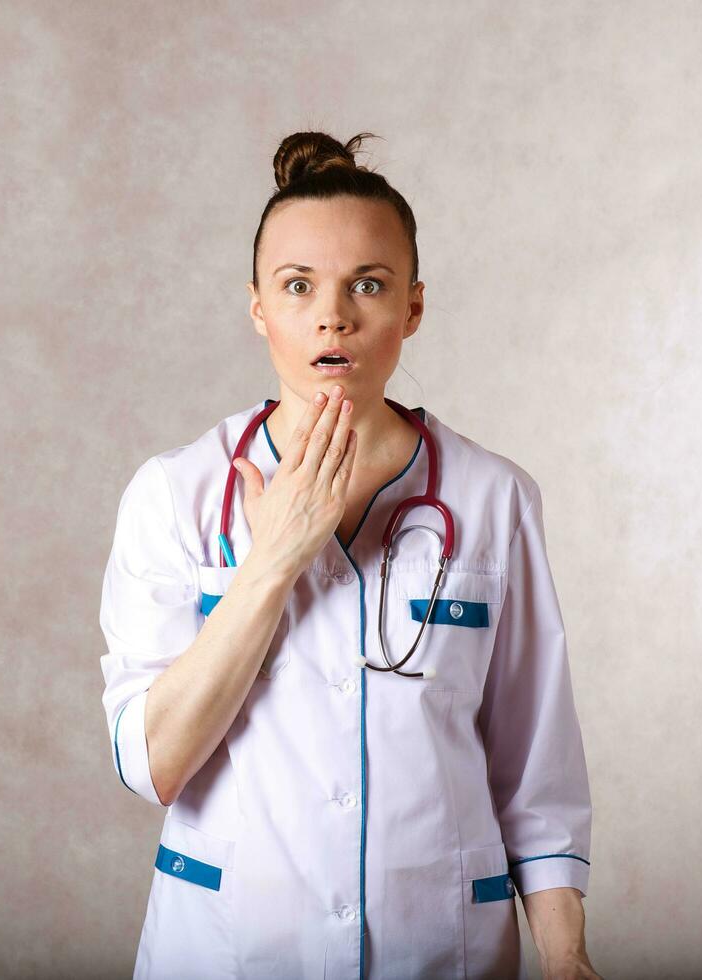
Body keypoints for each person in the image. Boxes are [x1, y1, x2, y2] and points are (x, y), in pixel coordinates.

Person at [98, 132, 601, 980]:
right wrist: (274, 560)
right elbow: (153, 763)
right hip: (226, 951)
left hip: (441, 949)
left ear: (412, 308)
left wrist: (567, 954)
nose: (334, 316)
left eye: (368, 284)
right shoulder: (174, 494)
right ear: (259, 307)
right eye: (299, 286)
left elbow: (534, 771)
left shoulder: (492, 497)